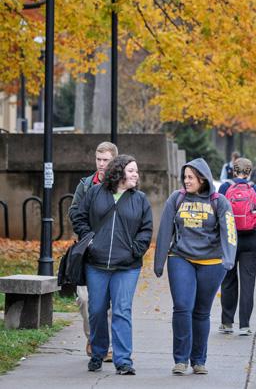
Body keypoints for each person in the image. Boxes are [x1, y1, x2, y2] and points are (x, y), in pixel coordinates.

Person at [154, 158, 237, 376]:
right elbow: (164, 230)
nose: (186, 181)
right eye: (185, 177)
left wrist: (228, 258)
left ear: (202, 178)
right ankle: (180, 359)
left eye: (191, 177)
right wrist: (159, 260)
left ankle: (198, 360)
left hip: (212, 263)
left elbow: (229, 232)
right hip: (181, 258)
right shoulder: (177, 198)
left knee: (201, 312)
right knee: (182, 307)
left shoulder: (219, 201)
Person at [72, 154, 153, 375]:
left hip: (127, 267)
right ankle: (97, 353)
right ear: (118, 172)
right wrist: (90, 241)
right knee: (97, 310)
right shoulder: (95, 193)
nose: (136, 174)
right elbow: (79, 217)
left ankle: (123, 360)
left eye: (137, 170)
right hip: (96, 264)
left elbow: (146, 230)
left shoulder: (140, 199)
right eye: (131, 170)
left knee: (121, 311)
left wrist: (135, 250)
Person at [69, 141, 118, 359]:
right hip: (87, 250)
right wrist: (88, 234)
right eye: (98, 159)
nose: (101, 164)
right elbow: (73, 212)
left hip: (113, 251)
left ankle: (103, 346)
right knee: (85, 299)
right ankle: (93, 338)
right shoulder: (86, 185)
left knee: (107, 302)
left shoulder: (123, 184)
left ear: (114, 161)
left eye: (105, 160)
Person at [218, 157, 256, 336]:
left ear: (233, 171)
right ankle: (245, 325)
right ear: (250, 172)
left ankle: (227, 322)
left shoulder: (224, 188)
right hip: (251, 239)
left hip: (230, 239)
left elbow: (218, 212)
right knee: (248, 282)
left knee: (228, 280)